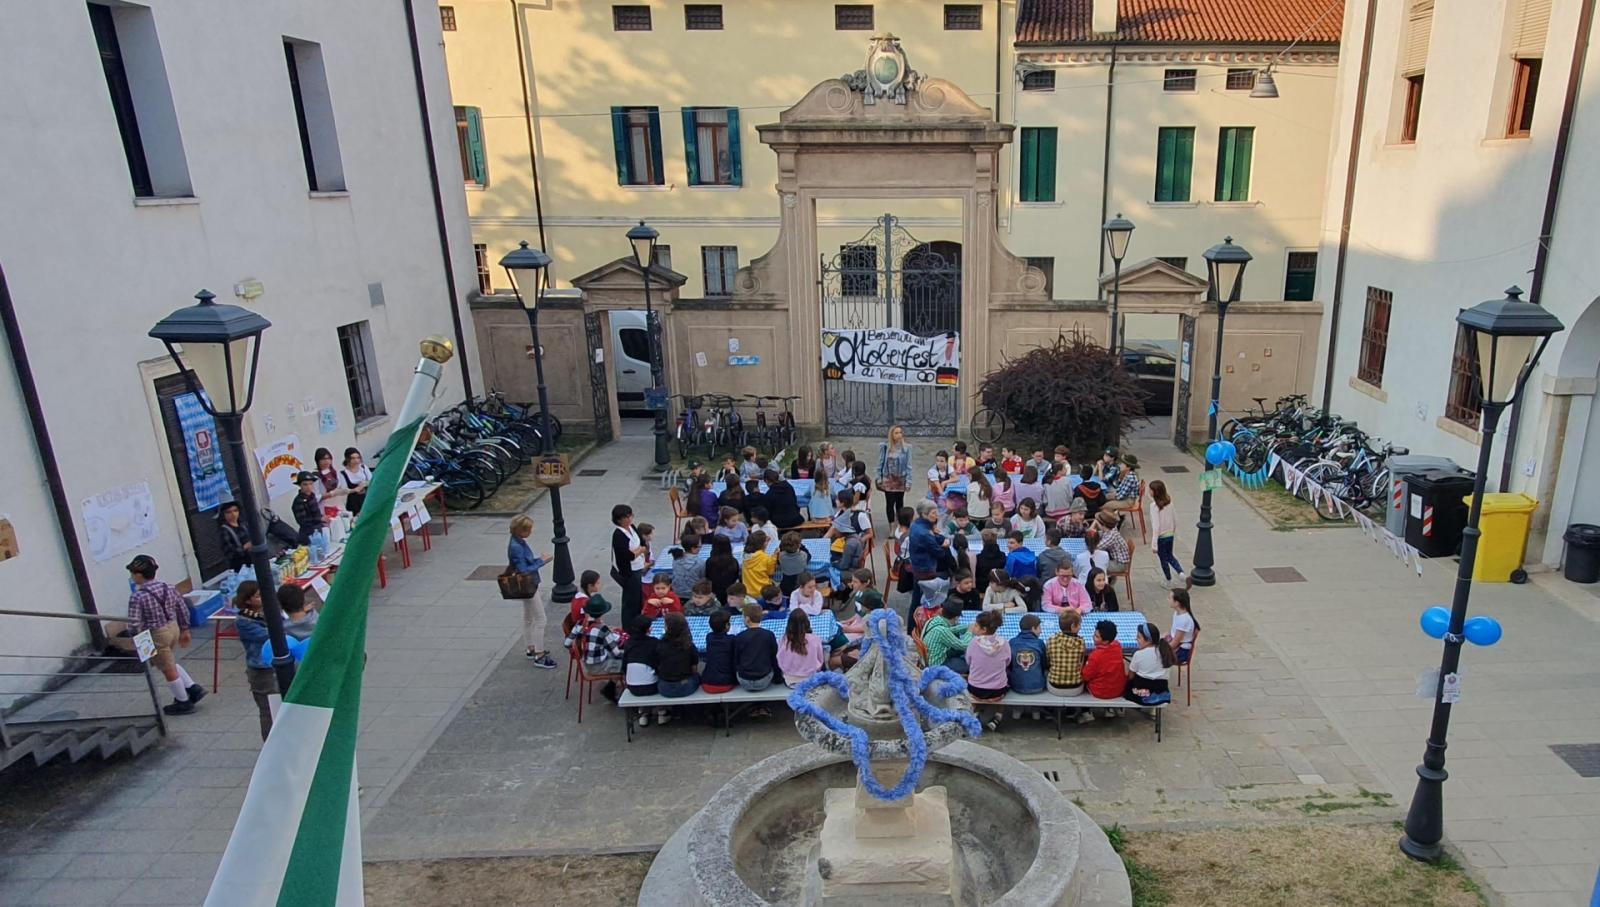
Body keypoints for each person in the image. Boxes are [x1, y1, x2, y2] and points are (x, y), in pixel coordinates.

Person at [123, 555, 202, 715]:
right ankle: (192, 688)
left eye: (132, 573)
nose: (132, 577)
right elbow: (182, 608)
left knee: (166, 667)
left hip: (154, 634)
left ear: (138, 575)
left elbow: (134, 621)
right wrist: (185, 629)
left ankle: (183, 701)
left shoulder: (138, 596)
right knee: (169, 659)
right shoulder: (169, 587)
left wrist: (133, 638)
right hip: (173, 627)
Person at [231, 582, 277, 740]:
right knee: (267, 711)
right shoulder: (244, 621)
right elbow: (268, 635)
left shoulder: (264, 613)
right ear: (248, 600)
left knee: (277, 708)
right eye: (258, 596)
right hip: (261, 670)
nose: (262, 599)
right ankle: (270, 746)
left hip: (273, 666)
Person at [508, 514, 555, 666]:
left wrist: (537, 560)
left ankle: (531, 647)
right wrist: (542, 561)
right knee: (541, 619)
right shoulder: (516, 546)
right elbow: (523, 569)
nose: (531, 532)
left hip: (525, 584)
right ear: (521, 530)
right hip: (527, 584)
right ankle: (539, 655)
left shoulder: (517, 542)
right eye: (529, 529)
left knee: (528, 617)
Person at [965, 609, 1011, 731]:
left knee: (973, 685)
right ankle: (998, 716)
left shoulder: (973, 643)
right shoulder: (1004, 643)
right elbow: (1007, 662)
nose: (973, 627)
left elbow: (968, 662)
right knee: (1006, 679)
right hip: (997, 691)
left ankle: (974, 712)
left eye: (976, 625)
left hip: (975, 690)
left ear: (984, 629)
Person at [906, 501, 949, 618]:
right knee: (926, 599)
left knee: (916, 598)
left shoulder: (916, 525)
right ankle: (920, 624)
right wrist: (944, 545)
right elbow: (939, 552)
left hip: (917, 565)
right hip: (926, 569)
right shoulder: (924, 533)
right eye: (933, 513)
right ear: (924, 514)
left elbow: (934, 537)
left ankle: (912, 626)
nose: (937, 515)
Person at [623, 617, 669, 726]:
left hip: (632, 686)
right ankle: (661, 712)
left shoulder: (628, 643)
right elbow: (659, 664)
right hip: (652, 686)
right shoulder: (654, 643)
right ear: (648, 630)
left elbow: (624, 666)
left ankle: (643, 713)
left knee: (644, 677)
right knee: (659, 678)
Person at [568, 594, 626, 679]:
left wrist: (577, 647)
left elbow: (567, 643)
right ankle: (615, 687)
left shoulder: (580, 623)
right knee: (629, 664)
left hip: (587, 663)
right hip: (600, 666)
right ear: (602, 614)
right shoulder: (603, 629)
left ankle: (611, 687)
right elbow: (616, 653)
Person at [1147, 479, 1190, 588]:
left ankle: (1168, 580)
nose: (1149, 491)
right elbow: (1175, 518)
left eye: (1150, 490)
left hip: (1160, 537)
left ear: (1155, 492)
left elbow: (1156, 526)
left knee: (1163, 559)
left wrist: (1154, 544)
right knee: (1170, 556)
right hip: (1170, 535)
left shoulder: (1154, 506)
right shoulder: (1169, 503)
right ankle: (1181, 573)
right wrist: (1173, 531)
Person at [611, 504, 648, 631]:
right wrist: (639, 551)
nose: (629, 519)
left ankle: (638, 623)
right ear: (619, 519)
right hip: (629, 571)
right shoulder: (618, 535)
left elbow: (643, 544)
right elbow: (628, 556)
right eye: (626, 517)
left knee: (638, 598)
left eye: (630, 516)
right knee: (630, 600)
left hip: (638, 567)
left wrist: (639, 550)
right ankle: (628, 627)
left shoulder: (632, 528)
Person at [733, 604, 782, 695]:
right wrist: (778, 677)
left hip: (744, 681)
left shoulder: (740, 637)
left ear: (747, 619)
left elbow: (736, 659)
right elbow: (774, 658)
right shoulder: (769, 635)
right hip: (763, 680)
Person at [1045, 610, 1088, 709]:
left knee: (1045, 672)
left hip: (1054, 687)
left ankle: (1048, 711)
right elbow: (1081, 663)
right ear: (1073, 626)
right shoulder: (1081, 642)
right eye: (1079, 624)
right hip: (1076, 687)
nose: (1080, 627)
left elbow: (1047, 661)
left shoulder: (1051, 640)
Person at [1125, 622, 1174, 702]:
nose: (1136, 639)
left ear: (1148, 640)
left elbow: (1131, 676)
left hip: (1141, 693)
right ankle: (1153, 709)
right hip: (1161, 691)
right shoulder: (1164, 651)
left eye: (1139, 637)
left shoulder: (1139, 654)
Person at [655, 613, 700, 699]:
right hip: (685, 687)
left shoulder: (660, 645)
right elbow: (694, 669)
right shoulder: (689, 645)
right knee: (698, 677)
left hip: (665, 688)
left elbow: (657, 665)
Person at [1082, 619, 1128, 703]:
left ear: (1106, 641)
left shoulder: (1095, 656)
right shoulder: (1117, 646)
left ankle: (1085, 711)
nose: (1093, 637)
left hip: (1100, 692)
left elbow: (1085, 676)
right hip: (1118, 689)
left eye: (1096, 636)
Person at [921, 599, 972, 672]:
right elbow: (964, 646)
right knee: (971, 665)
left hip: (929, 656)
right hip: (937, 664)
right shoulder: (942, 631)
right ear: (956, 617)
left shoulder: (934, 620)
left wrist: (966, 627)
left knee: (960, 654)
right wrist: (969, 632)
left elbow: (950, 629)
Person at [778, 610, 826, 686]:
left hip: (790, 680)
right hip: (810, 679)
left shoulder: (784, 639)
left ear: (790, 623)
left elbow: (779, 660)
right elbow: (821, 660)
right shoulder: (815, 639)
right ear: (806, 622)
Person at [877, 425, 912, 520]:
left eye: (900, 432)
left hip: (901, 479)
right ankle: (891, 526)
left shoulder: (907, 448)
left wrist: (909, 481)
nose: (899, 435)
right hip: (888, 478)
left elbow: (909, 465)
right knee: (890, 503)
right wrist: (879, 478)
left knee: (899, 502)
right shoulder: (885, 446)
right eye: (896, 433)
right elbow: (880, 463)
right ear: (891, 435)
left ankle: (899, 523)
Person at [1008, 613, 1048, 696]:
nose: (1041, 631)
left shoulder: (1012, 642)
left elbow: (1010, 665)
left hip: (1016, 687)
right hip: (1038, 687)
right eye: (1039, 628)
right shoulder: (1039, 643)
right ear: (1033, 628)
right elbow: (1045, 665)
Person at [701, 609, 738, 694]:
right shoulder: (732, 639)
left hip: (706, 682)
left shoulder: (709, 637)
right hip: (725, 683)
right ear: (727, 625)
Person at [705, 535, 741, 604]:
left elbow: (707, 577)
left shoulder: (709, 561)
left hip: (714, 593)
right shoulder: (734, 561)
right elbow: (736, 577)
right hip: (730, 593)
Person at [291, 471, 326, 544]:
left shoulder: (312, 496)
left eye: (311, 484)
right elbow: (303, 521)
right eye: (305, 484)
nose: (309, 487)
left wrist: (322, 517)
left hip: (318, 529)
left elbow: (316, 512)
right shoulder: (298, 501)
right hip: (308, 534)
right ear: (300, 485)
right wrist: (320, 519)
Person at [1166, 589, 1199, 664]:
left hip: (1181, 652)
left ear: (1177, 603)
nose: (1168, 599)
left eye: (1170, 598)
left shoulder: (1184, 620)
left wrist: (1162, 650)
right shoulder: (1177, 613)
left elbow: (1175, 642)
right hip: (1175, 644)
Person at [217, 502, 252, 571]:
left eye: (235, 511)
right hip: (239, 567)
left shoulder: (243, 524)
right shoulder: (224, 531)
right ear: (224, 514)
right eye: (229, 512)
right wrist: (245, 547)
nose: (233, 514)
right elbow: (230, 553)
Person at [670, 532, 706, 599]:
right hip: (693, 594)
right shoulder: (700, 563)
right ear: (693, 548)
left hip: (677, 593)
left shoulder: (676, 559)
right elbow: (703, 578)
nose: (700, 548)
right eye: (699, 546)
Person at [742, 530, 776, 597]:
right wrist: (774, 557)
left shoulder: (745, 555)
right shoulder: (764, 557)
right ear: (762, 544)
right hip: (763, 591)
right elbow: (770, 573)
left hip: (748, 592)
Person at [339, 447, 372, 515]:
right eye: (353, 458)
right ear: (347, 459)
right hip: (353, 502)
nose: (356, 461)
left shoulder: (363, 468)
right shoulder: (343, 473)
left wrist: (365, 484)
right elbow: (344, 490)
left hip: (366, 498)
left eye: (358, 458)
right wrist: (355, 489)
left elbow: (372, 480)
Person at [973, 529, 1006, 596]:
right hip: (998, 585)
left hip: (982, 587)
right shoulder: (1002, 555)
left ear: (983, 542)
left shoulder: (978, 558)